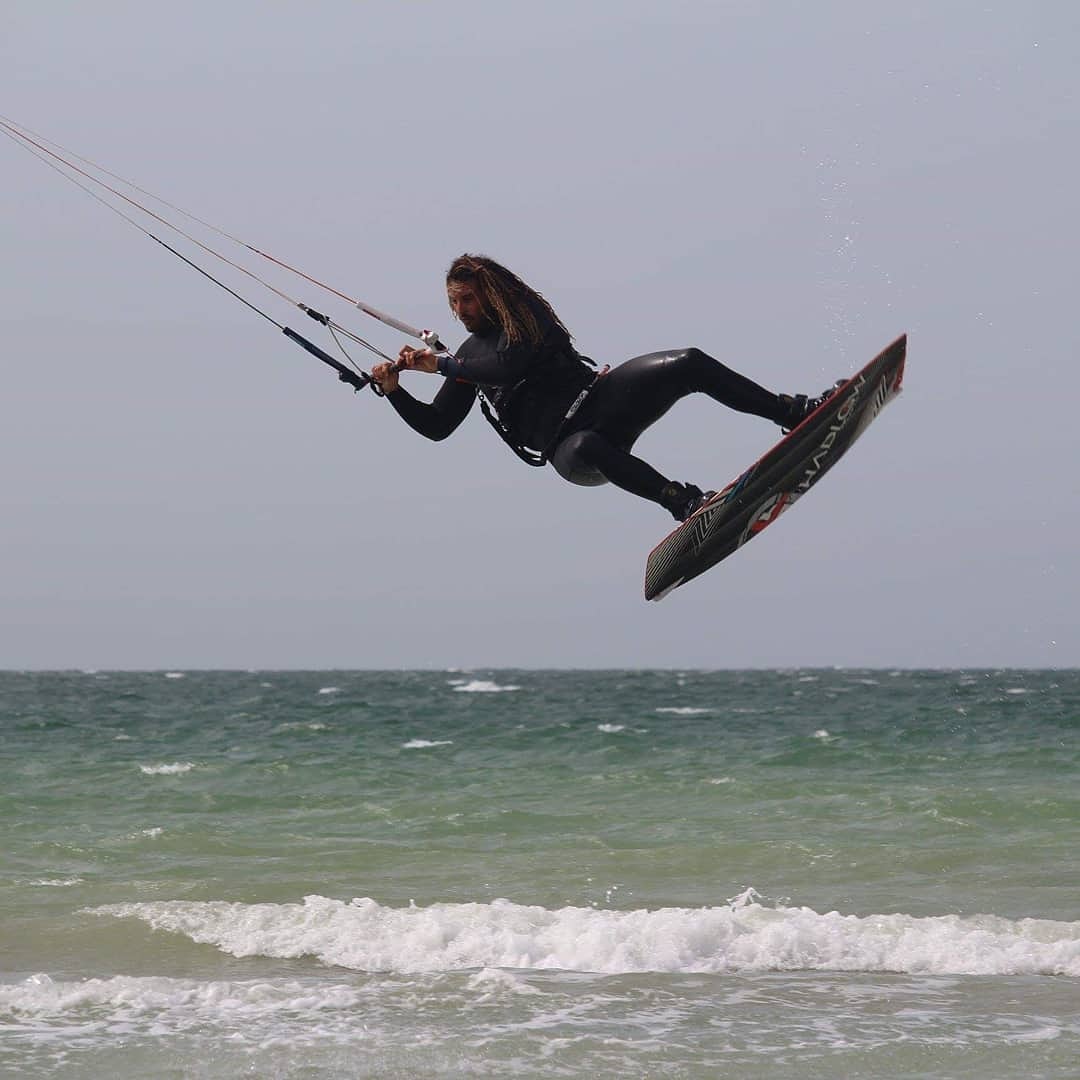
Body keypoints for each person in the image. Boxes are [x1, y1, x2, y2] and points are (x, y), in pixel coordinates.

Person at [370, 254, 835, 522]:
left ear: (491, 292)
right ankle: (685, 503)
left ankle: (791, 412)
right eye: (453, 302)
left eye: (468, 298)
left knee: (688, 362)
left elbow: (508, 367)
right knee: (590, 444)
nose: (461, 310)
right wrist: (395, 390)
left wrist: (445, 365)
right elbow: (437, 426)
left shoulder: (528, 315)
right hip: (571, 450)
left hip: (603, 402)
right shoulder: (466, 358)